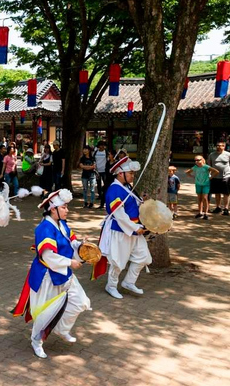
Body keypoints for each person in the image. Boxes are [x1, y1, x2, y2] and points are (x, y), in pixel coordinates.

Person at [11, 189, 91, 359]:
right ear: (53, 209)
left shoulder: (62, 224)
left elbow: (71, 241)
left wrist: (80, 245)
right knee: (45, 313)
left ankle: (62, 329)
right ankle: (36, 341)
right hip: (47, 276)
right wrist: (71, 262)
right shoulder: (44, 228)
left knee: (80, 302)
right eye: (64, 207)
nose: (67, 210)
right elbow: (48, 256)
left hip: (63, 273)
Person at [98, 157, 151, 299]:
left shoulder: (126, 187)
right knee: (118, 261)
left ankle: (128, 282)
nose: (133, 176)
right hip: (121, 230)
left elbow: (131, 207)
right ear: (121, 173)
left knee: (143, 257)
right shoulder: (114, 190)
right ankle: (111, 286)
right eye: (131, 173)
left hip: (134, 229)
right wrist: (135, 227)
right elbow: (120, 215)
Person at [207, 141, 230, 216]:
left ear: (224, 146)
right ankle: (218, 207)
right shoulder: (212, 155)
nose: (218, 147)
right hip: (215, 176)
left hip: (225, 176)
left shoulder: (229, 155)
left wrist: (226, 170)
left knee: (226, 193)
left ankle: (226, 208)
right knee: (217, 193)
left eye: (220, 146)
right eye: (217, 145)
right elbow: (209, 165)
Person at [94, 141, 108, 209]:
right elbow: (94, 160)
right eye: (101, 145)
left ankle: (105, 195)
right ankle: (99, 195)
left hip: (104, 171)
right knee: (98, 183)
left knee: (105, 183)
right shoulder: (96, 152)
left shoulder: (106, 152)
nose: (102, 147)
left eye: (103, 145)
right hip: (97, 170)